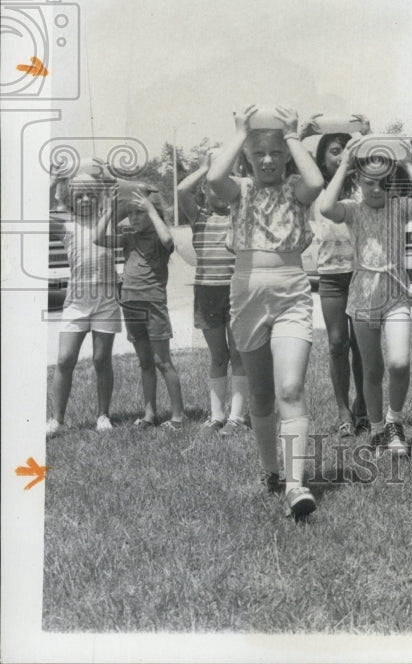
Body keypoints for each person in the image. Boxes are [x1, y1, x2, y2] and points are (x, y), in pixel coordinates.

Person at [207, 105, 324, 521]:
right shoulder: (238, 190)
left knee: (290, 388)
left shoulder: (296, 188)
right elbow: (212, 178)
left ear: (288, 154)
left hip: (292, 290)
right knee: (260, 393)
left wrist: (292, 135)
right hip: (246, 295)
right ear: (248, 158)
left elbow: (317, 180)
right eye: (260, 155)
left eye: (276, 153)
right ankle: (271, 472)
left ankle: (296, 485)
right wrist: (241, 132)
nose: (269, 161)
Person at [318, 133, 412, 454]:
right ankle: (376, 429)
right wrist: (345, 163)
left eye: (384, 183)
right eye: (369, 183)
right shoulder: (353, 211)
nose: (376, 190)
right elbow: (325, 206)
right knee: (372, 370)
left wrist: (409, 165)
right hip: (363, 298)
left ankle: (394, 420)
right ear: (359, 182)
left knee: (398, 362)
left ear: (393, 185)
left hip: (396, 296)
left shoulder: (399, 208)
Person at [95, 187, 185, 430]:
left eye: (140, 213)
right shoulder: (128, 237)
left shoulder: (159, 238)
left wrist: (150, 209)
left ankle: (178, 417)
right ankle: (149, 415)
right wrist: (112, 210)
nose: (134, 218)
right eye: (131, 213)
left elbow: (168, 239)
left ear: (151, 213)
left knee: (162, 361)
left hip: (153, 304)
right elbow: (97, 238)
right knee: (145, 361)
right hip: (130, 303)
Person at [305, 119, 370, 436]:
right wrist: (305, 132)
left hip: (362, 275)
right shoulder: (315, 188)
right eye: (334, 151)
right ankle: (343, 411)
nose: (341, 155)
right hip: (331, 277)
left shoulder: (362, 186)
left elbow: (381, 160)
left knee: (362, 345)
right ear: (322, 158)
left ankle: (364, 408)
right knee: (336, 343)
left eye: (346, 150)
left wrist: (366, 136)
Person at [47, 172, 123, 437]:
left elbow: (123, 194)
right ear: (71, 198)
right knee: (65, 359)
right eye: (80, 195)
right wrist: (54, 181)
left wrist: (110, 180)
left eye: (92, 194)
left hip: (106, 301)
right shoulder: (66, 226)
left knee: (102, 359)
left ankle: (103, 415)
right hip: (76, 303)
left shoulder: (108, 220)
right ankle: (57, 420)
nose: (86, 199)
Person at [177, 153, 248, 435]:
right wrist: (205, 169)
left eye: (224, 185)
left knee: (239, 354)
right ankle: (217, 415)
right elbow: (182, 190)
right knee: (218, 355)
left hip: (236, 293)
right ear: (205, 189)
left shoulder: (240, 215)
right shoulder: (199, 217)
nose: (219, 191)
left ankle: (237, 418)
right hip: (207, 294)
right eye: (213, 186)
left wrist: (227, 172)